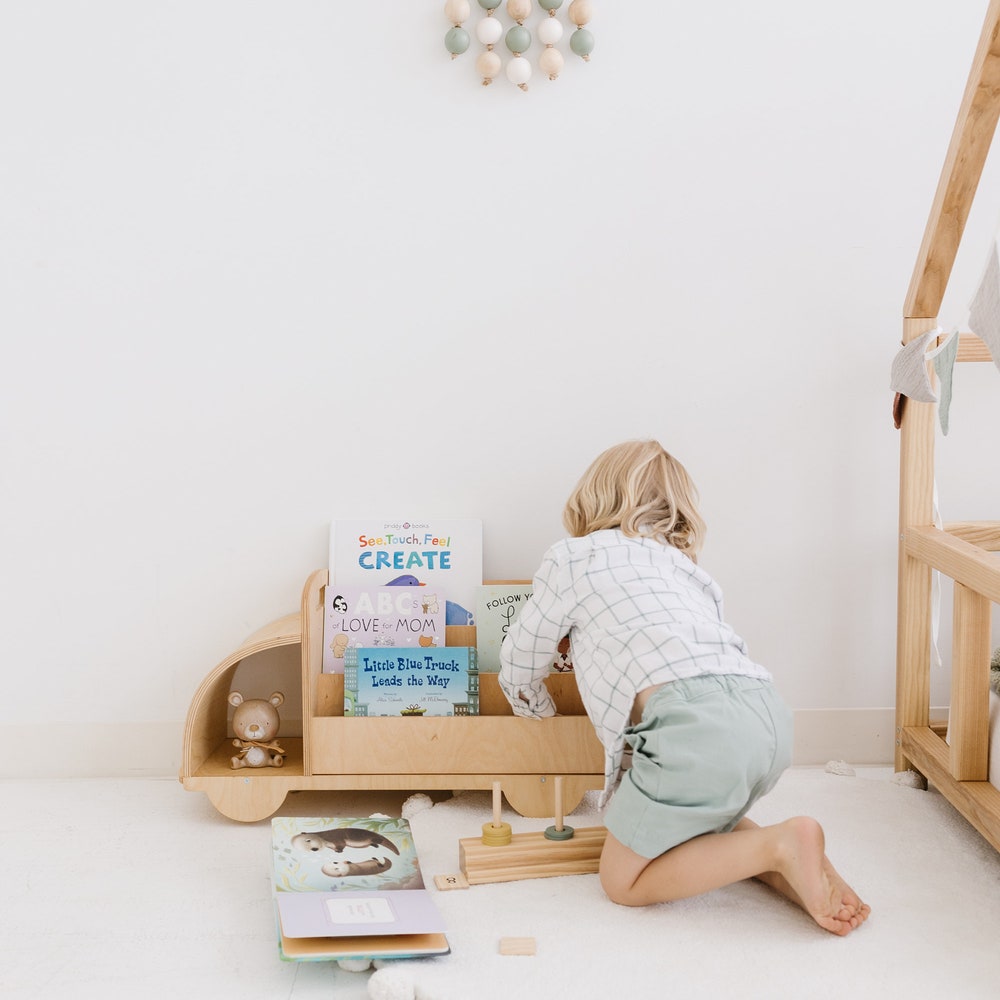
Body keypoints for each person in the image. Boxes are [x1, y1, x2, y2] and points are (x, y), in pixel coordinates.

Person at [498, 440, 869, 936]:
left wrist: (535, 710)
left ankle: (778, 845)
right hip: (764, 713)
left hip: (692, 729)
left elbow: (523, 654)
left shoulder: (571, 557)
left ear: (590, 497)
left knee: (622, 881)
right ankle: (796, 865)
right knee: (700, 817)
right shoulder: (684, 568)